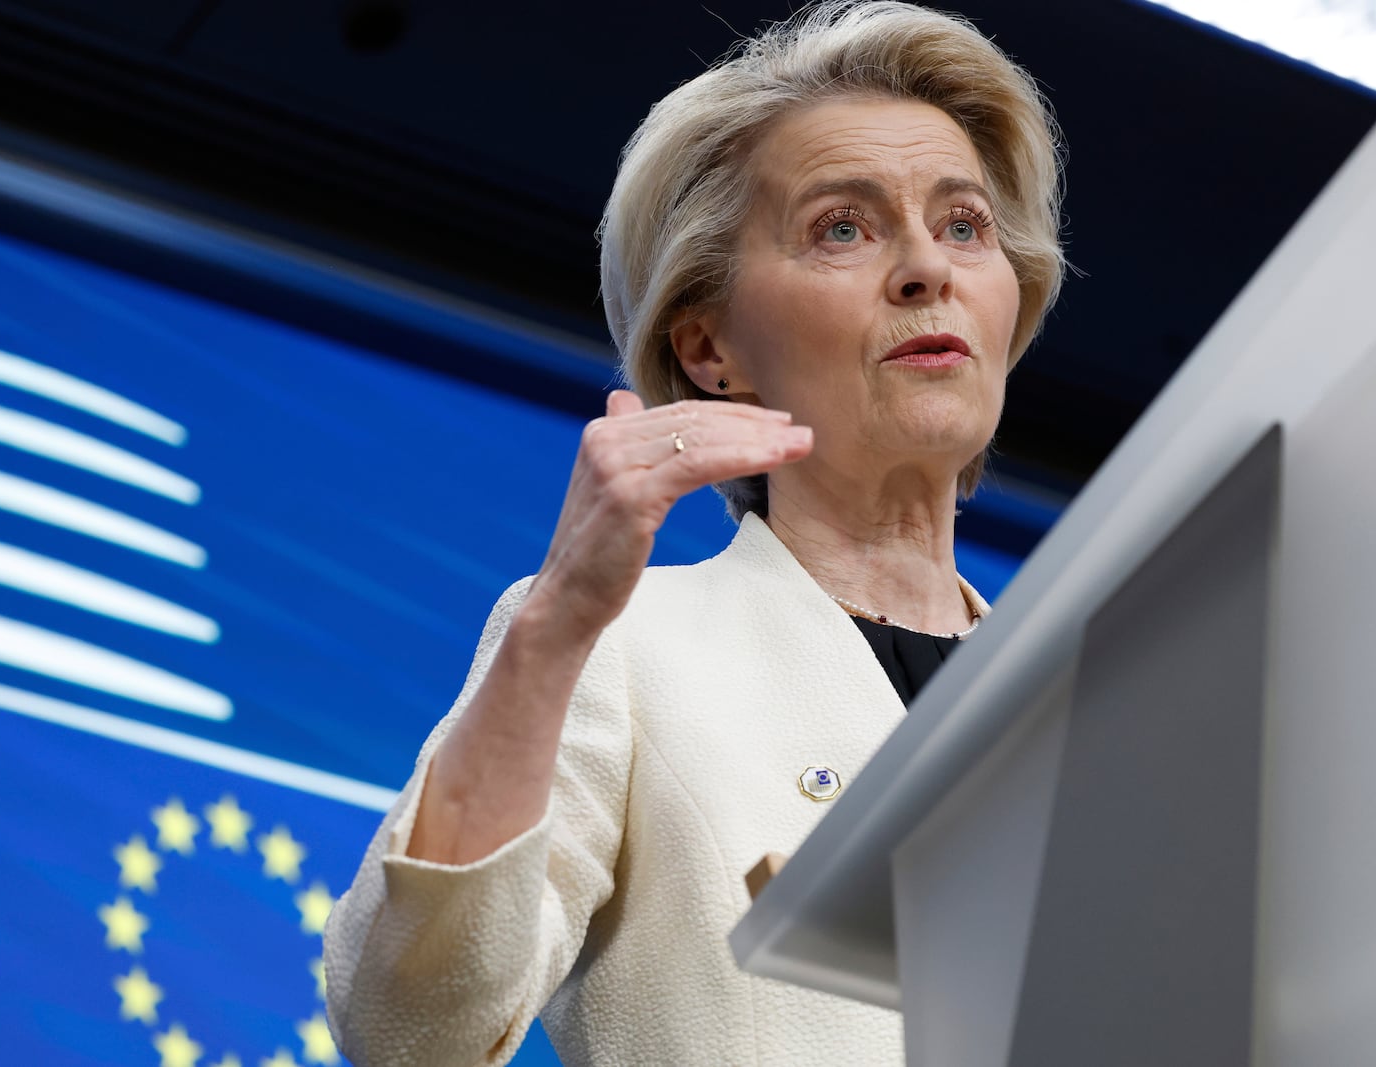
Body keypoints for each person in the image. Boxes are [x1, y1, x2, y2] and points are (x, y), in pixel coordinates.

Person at [323, 1, 1064, 1063]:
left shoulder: (1089, 694)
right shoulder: (622, 647)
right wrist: (555, 627)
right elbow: (410, 1028)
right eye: (842, 226)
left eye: (964, 224)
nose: (924, 268)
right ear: (710, 346)